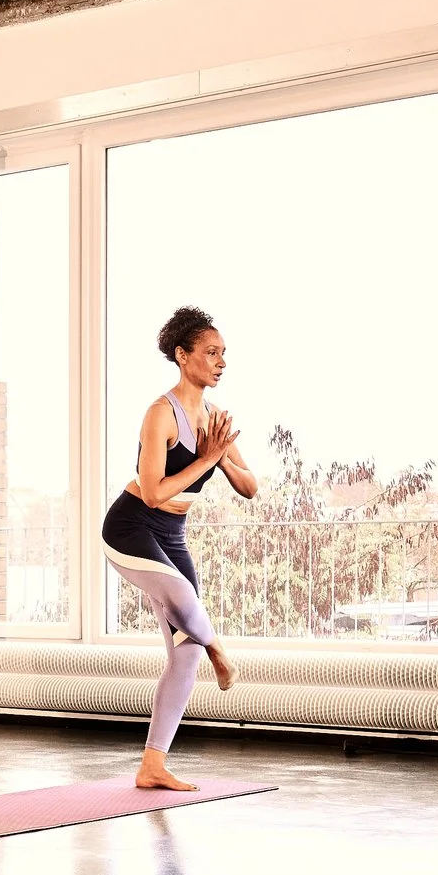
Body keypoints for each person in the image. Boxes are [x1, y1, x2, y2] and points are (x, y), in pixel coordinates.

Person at [100, 306, 257, 792]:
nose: (220, 361)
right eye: (211, 352)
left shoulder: (212, 420)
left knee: (183, 654)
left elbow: (251, 487)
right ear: (182, 355)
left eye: (223, 353)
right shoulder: (159, 414)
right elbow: (152, 492)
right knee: (189, 608)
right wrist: (207, 457)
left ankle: (153, 765)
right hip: (131, 527)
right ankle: (219, 650)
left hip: (172, 536)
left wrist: (222, 458)